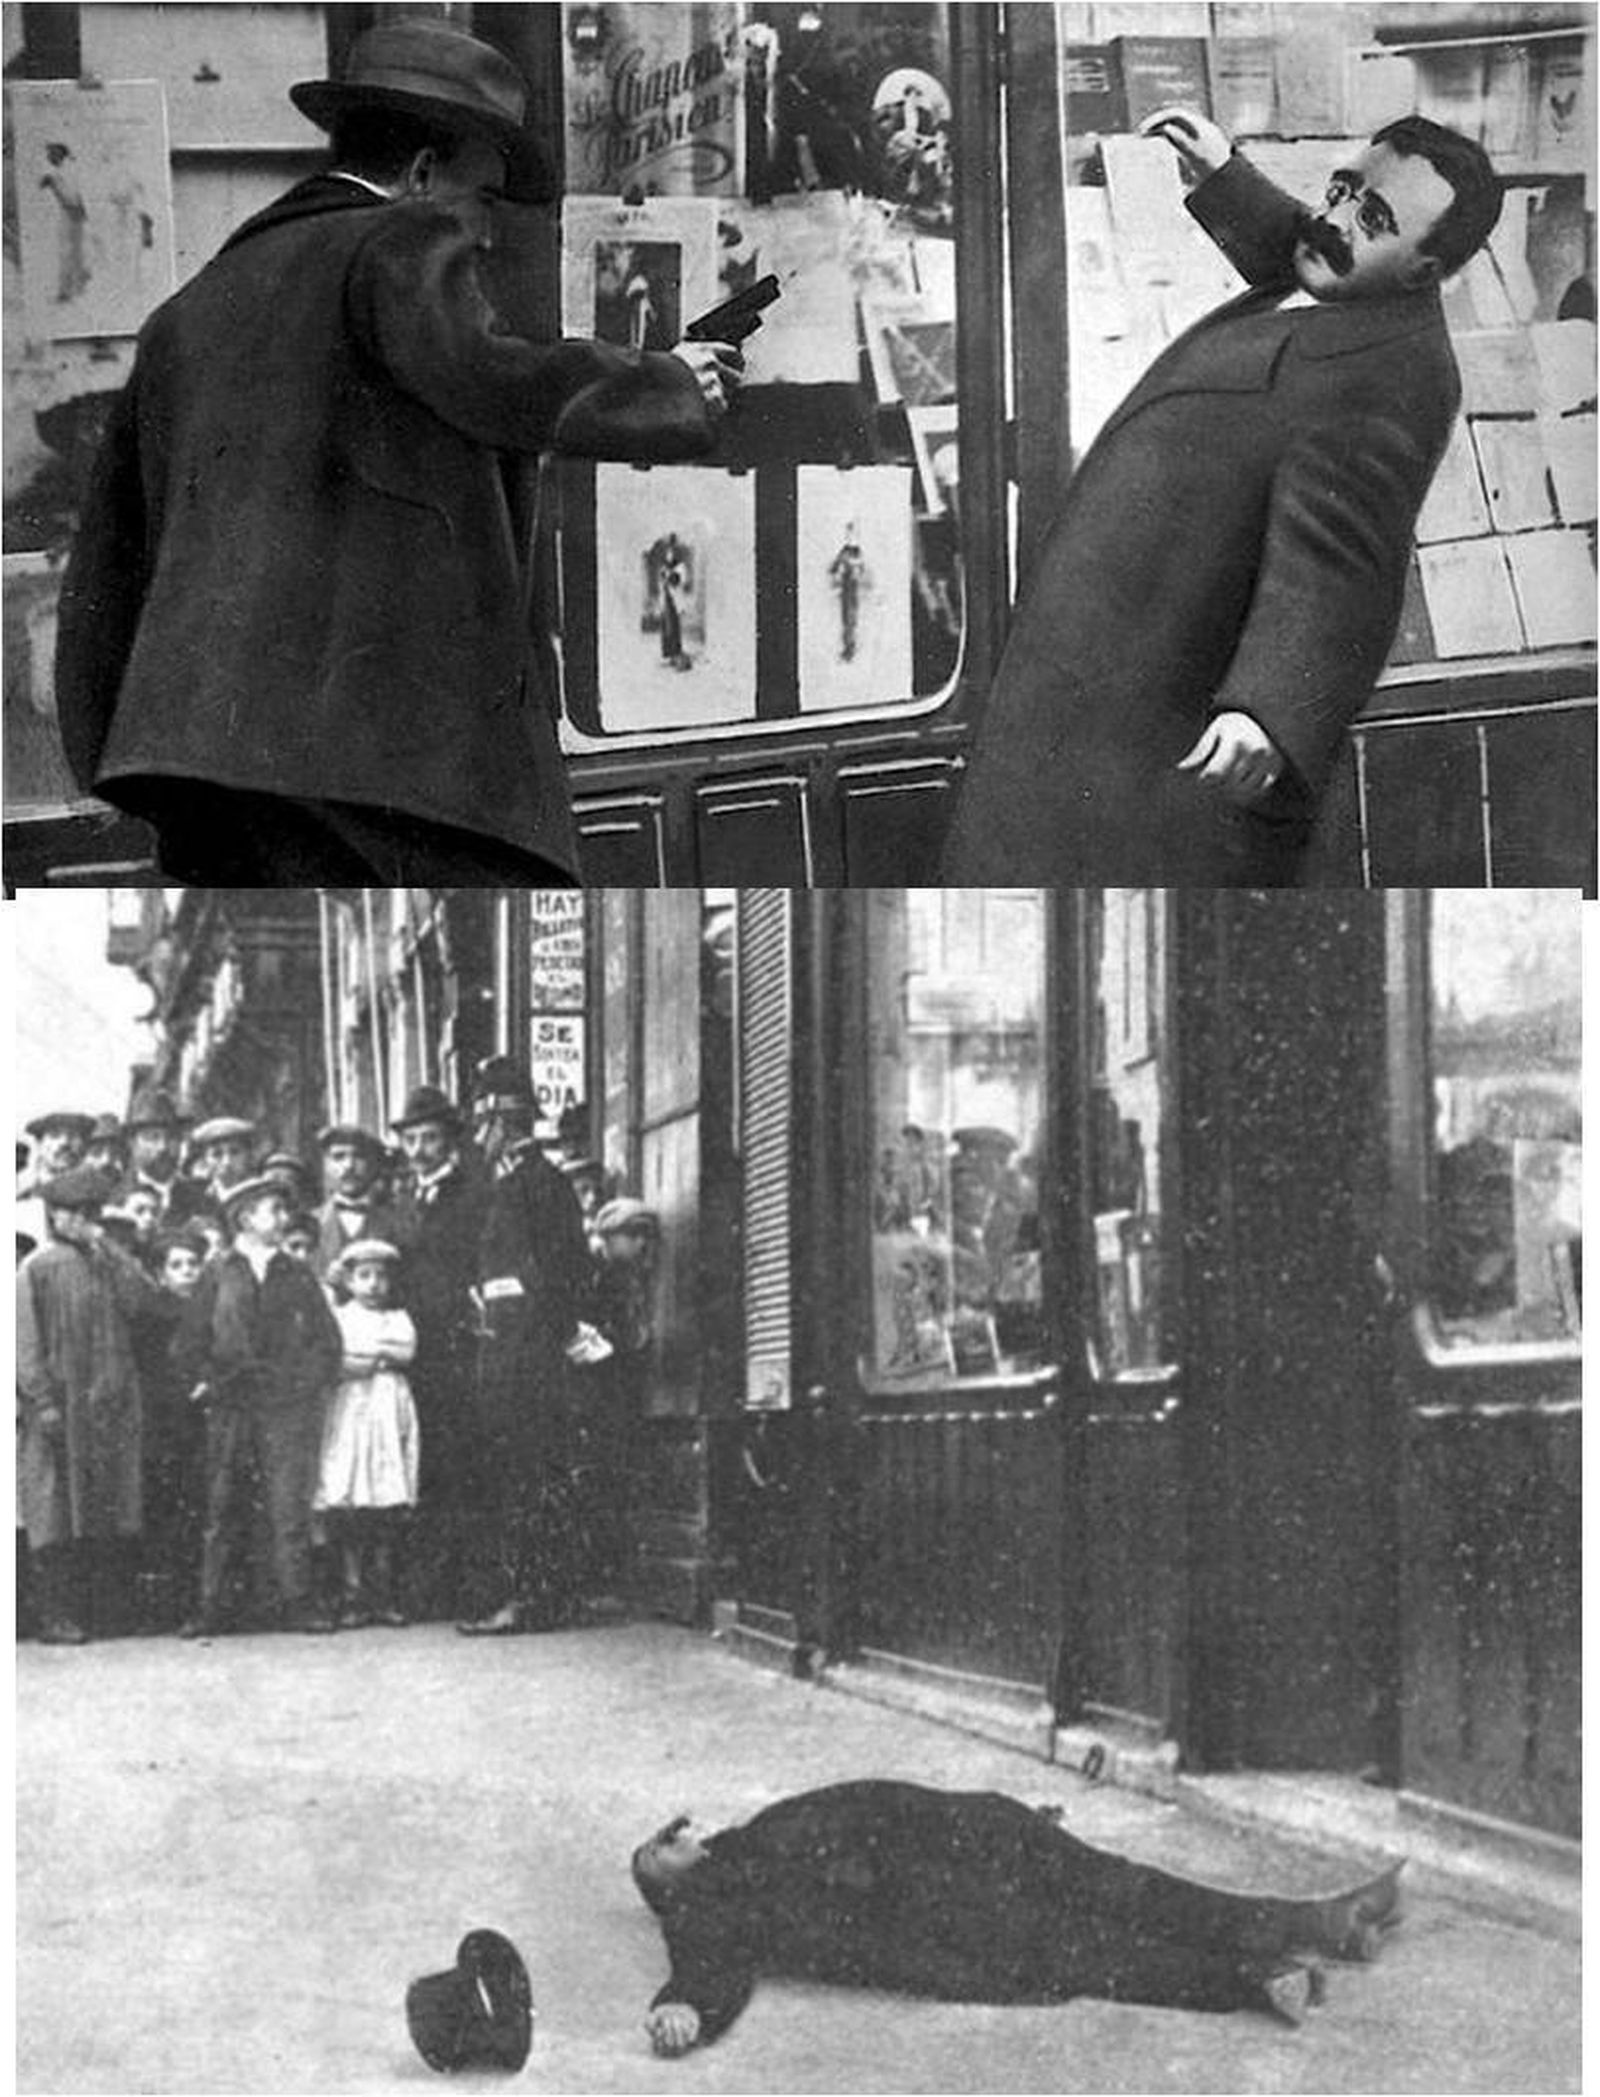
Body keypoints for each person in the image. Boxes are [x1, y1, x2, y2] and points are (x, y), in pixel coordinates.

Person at [54, 18, 743, 886]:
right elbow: (489, 375)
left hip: (201, 773)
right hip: (376, 773)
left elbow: (109, 570)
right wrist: (669, 385)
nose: (487, 234)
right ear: (420, 173)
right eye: (482, 201)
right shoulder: (400, 238)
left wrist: (123, 750)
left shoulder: (189, 310)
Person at [941, 111, 1504, 886]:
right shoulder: (1349, 289)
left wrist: (1271, 712)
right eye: (1341, 188)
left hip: (1158, 736)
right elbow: (1303, 246)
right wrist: (1221, 173)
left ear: (1423, 272)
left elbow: (1343, 566)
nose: (1335, 219)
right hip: (1107, 689)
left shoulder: (1400, 377)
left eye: (1372, 217)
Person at [631, 1780, 1405, 2056]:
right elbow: (704, 1960)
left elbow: (883, 1807)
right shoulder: (707, 1900)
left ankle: (1320, 1920)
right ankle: (1253, 1975)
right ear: (661, 1886)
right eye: (658, 1848)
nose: (677, 1835)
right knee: (1086, 1947)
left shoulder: (746, 1838)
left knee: (1125, 1886)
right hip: (936, 1916)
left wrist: (1001, 1816)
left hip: (980, 1837)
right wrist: (685, 2008)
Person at [172, 1175, 343, 1638]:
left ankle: (297, 1602)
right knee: (223, 1505)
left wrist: (302, 1386)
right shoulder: (219, 1272)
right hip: (231, 1405)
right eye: (274, 1210)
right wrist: (207, 1382)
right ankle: (212, 1607)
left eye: (286, 1211)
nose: (284, 1219)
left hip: (285, 1408)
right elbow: (189, 1341)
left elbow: (328, 1345)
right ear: (246, 1218)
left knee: (289, 1504)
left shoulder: (298, 1273)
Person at [457, 1058, 590, 1635]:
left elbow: (565, 1276)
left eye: (484, 1124)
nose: (479, 1137)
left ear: (501, 1122)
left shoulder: (542, 1185)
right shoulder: (504, 1184)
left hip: (529, 1361)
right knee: (514, 1476)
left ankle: (534, 1598)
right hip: (503, 1358)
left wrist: (538, 1339)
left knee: (531, 1477)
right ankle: (527, 1594)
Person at [16, 1165, 161, 1643]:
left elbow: (145, 1304)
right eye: (75, 1212)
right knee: (55, 1509)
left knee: (106, 1506)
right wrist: (42, 1402)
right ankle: (56, 1615)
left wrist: (113, 1250)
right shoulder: (37, 1268)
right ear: (55, 1216)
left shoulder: (107, 1261)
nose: (86, 1221)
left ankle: (103, 1611)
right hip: (61, 1407)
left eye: (92, 1212)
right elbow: (24, 1345)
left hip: (109, 1403)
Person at [390, 1084, 488, 1618]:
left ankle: (463, 1586)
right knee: (420, 1464)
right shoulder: (403, 1202)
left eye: (430, 1138)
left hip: (456, 1346)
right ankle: (428, 1588)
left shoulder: (472, 1196)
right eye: (412, 1139)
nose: (421, 1149)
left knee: (460, 1464)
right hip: (413, 1350)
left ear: (450, 1141)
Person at [313, 1239, 419, 1628]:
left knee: (386, 1502)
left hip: (388, 1407)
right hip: (352, 1408)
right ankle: (353, 1592)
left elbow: (406, 1351)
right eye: (364, 1276)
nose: (373, 1284)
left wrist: (367, 1357)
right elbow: (336, 1358)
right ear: (349, 1280)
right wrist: (368, 1358)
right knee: (352, 1500)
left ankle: (384, 1593)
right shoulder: (339, 1317)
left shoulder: (398, 1319)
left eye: (381, 1276)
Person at [313, 1123, 405, 1285]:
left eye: (359, 1156)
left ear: (373, 1164)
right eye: (338, 1157)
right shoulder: (310, 1224)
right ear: (326, 1165)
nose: (349, 1166)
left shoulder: (398, 1221)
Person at [124, 1088, 195, 1224]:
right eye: (153, 1137)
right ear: (132, 1143)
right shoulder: (114, 1197)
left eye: (172, 1137)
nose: (163, 1147)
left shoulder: (201, 1200)